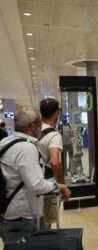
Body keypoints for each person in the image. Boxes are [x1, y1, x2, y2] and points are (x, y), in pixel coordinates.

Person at [0, 107, 70, 244]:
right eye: (39, 123)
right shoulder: (26, 148)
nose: (40, 127)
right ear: (32, 126)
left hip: (6, 213)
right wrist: (59, 186)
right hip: (23, 217)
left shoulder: (5, 143)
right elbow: (36, 184)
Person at [37, 98, 64, 227]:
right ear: (56, 114)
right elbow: (55, 162)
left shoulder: (33, 132)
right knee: (47, 222)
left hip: (32, 180)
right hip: (47, 181)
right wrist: (61, 184)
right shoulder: (54, 135)